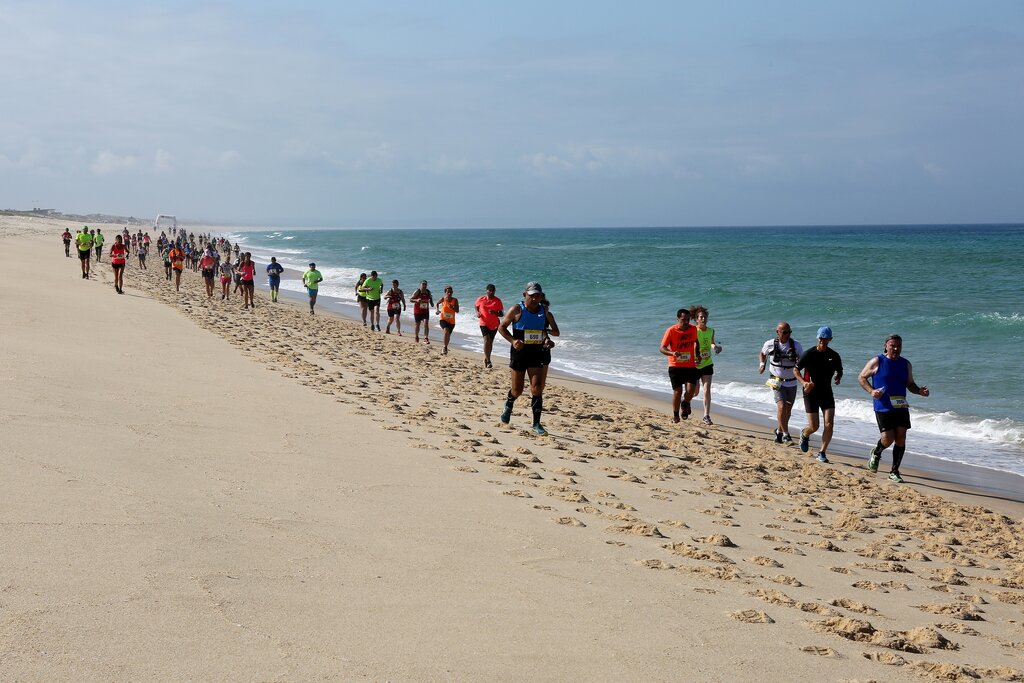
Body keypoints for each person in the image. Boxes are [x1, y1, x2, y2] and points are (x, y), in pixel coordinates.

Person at [858, 334, 930, 483]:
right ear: (886, 346)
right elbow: (861, 377)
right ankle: (876, 453)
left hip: (901, 405)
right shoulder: (877, 361)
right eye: (893, 346)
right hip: (883, 406)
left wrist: (919, 391)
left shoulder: (906, 364)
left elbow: (910, 384)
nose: (896, 349)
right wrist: (872, 391)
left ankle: (894, 471)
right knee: (888, 438)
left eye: (899, 346)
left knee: (901, 438)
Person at [497, 281, 560, 436]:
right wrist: (513, 341)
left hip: (536, 352)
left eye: (538, 295)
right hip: (520, 352)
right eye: (532, 295)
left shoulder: (543, 310)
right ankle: (509, 403)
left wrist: (546, 340)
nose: (535, 298)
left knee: (537, 388)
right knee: (517, 390)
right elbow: (501, 327)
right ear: (525, 294)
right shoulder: (517, 310)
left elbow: (543, 331)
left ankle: (536, 424)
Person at [793, 326, 843, 463]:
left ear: (830, 339)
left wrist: (838, 377)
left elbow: (839, 370)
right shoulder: (809, 354)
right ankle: (805, 433)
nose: (823, 341)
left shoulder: (834, 356)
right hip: (810, 392)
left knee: (829, 424)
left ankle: (822, 452)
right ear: (817, 338)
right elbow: (796, 370)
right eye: (821, 338)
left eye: (825, 339)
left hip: (827, 392)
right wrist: (803, 383)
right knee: (814, 426)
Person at [758, 322, 803, 444]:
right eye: (784, 332)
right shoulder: (770, 344)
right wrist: (762, 365)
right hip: (776, 380)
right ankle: (786, 435)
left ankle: (779, 432)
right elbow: (762, 353)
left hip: (792, 382)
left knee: (787, 411)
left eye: (789, 332)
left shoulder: (796, 346)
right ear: (777, 332)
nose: (787, 335)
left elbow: (802, 361)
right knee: (782, 407)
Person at [660, 308, 700, 422]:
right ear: (678, 319)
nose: (686, 322)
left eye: (688, 319)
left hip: (690, 366)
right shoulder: (671, 331)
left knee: (691, 391)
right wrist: (672, 353)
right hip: (675, 366)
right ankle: (676, 415)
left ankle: (685, 402)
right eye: (683, 320)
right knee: (678, 392)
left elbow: (697, 341)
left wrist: (698, 354)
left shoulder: (693, 329)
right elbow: (662, 348)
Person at [692, 306, 722, 425]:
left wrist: (716, 348)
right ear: (696, 319)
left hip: (707, 363)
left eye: (705, 317)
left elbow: (712, 343)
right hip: (695, 364)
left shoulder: (711, 331)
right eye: (701, 317)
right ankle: (686, 403)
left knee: (706, 390)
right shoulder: (693, 330)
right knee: (694, 392)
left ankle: (706, 415)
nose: (703, 318)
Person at [475, 284, 504, 369]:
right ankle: (488, 361)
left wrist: (495, 313)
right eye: (490, 290)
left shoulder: (497, 301)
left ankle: (486, 358)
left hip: (494, 324)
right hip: (483, 323)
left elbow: (501, 314)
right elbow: (476, 306)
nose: (491, 292)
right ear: (486, 291)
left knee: (490, 343)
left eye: (493, 291)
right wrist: (477, 313)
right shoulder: (481, 299)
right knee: (486, 340)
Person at [436, 286, 459, 355]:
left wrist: (452, 308)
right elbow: (437, 303)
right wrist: (437, 310)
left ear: (452, 292)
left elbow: (457, 311)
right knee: (446, 331)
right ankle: (445, 347)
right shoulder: (443, 299)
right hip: (443, 319)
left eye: (450, 292)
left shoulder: (455, 300)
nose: (449, 293)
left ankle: (446, 346)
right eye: (447, 292)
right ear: (445, 292)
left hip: (451, 321)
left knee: (448, 335)